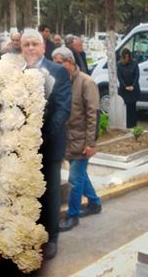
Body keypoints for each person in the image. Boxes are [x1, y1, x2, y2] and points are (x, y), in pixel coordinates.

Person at [20, 28, 72, 259]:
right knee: (25, 192)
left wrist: (42, 137)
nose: (30, 48)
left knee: (50, 192)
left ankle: (51, 237)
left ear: (43, 47)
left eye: (34, 44)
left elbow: (62, 108)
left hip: (49, 145)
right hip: (21, 148)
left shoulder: (58, 71)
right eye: (26, 45)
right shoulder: (14, 73)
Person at [50, 47, 102, 232]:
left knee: (74, 178)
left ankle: (73, 216)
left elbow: (92, 115)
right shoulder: (60, 82)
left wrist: (90, 143)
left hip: (82, 140)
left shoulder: (87, 82)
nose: (54, 67)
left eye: (58, 63)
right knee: (80, 175)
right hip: (68, 139)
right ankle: (95, 203)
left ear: (70, 62)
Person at [117, 48, 141, 128]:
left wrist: (133, 86)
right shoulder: (120, 65)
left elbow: (137, 75)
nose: (127, 59)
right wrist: (125, 86)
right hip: (124, 90)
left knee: (133, 108)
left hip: (133, 89)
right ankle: (127, 125)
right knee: (126, 109)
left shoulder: (134, 63)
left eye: (128, 57)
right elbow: (119, 77)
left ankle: (133, 125)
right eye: (125, 57)